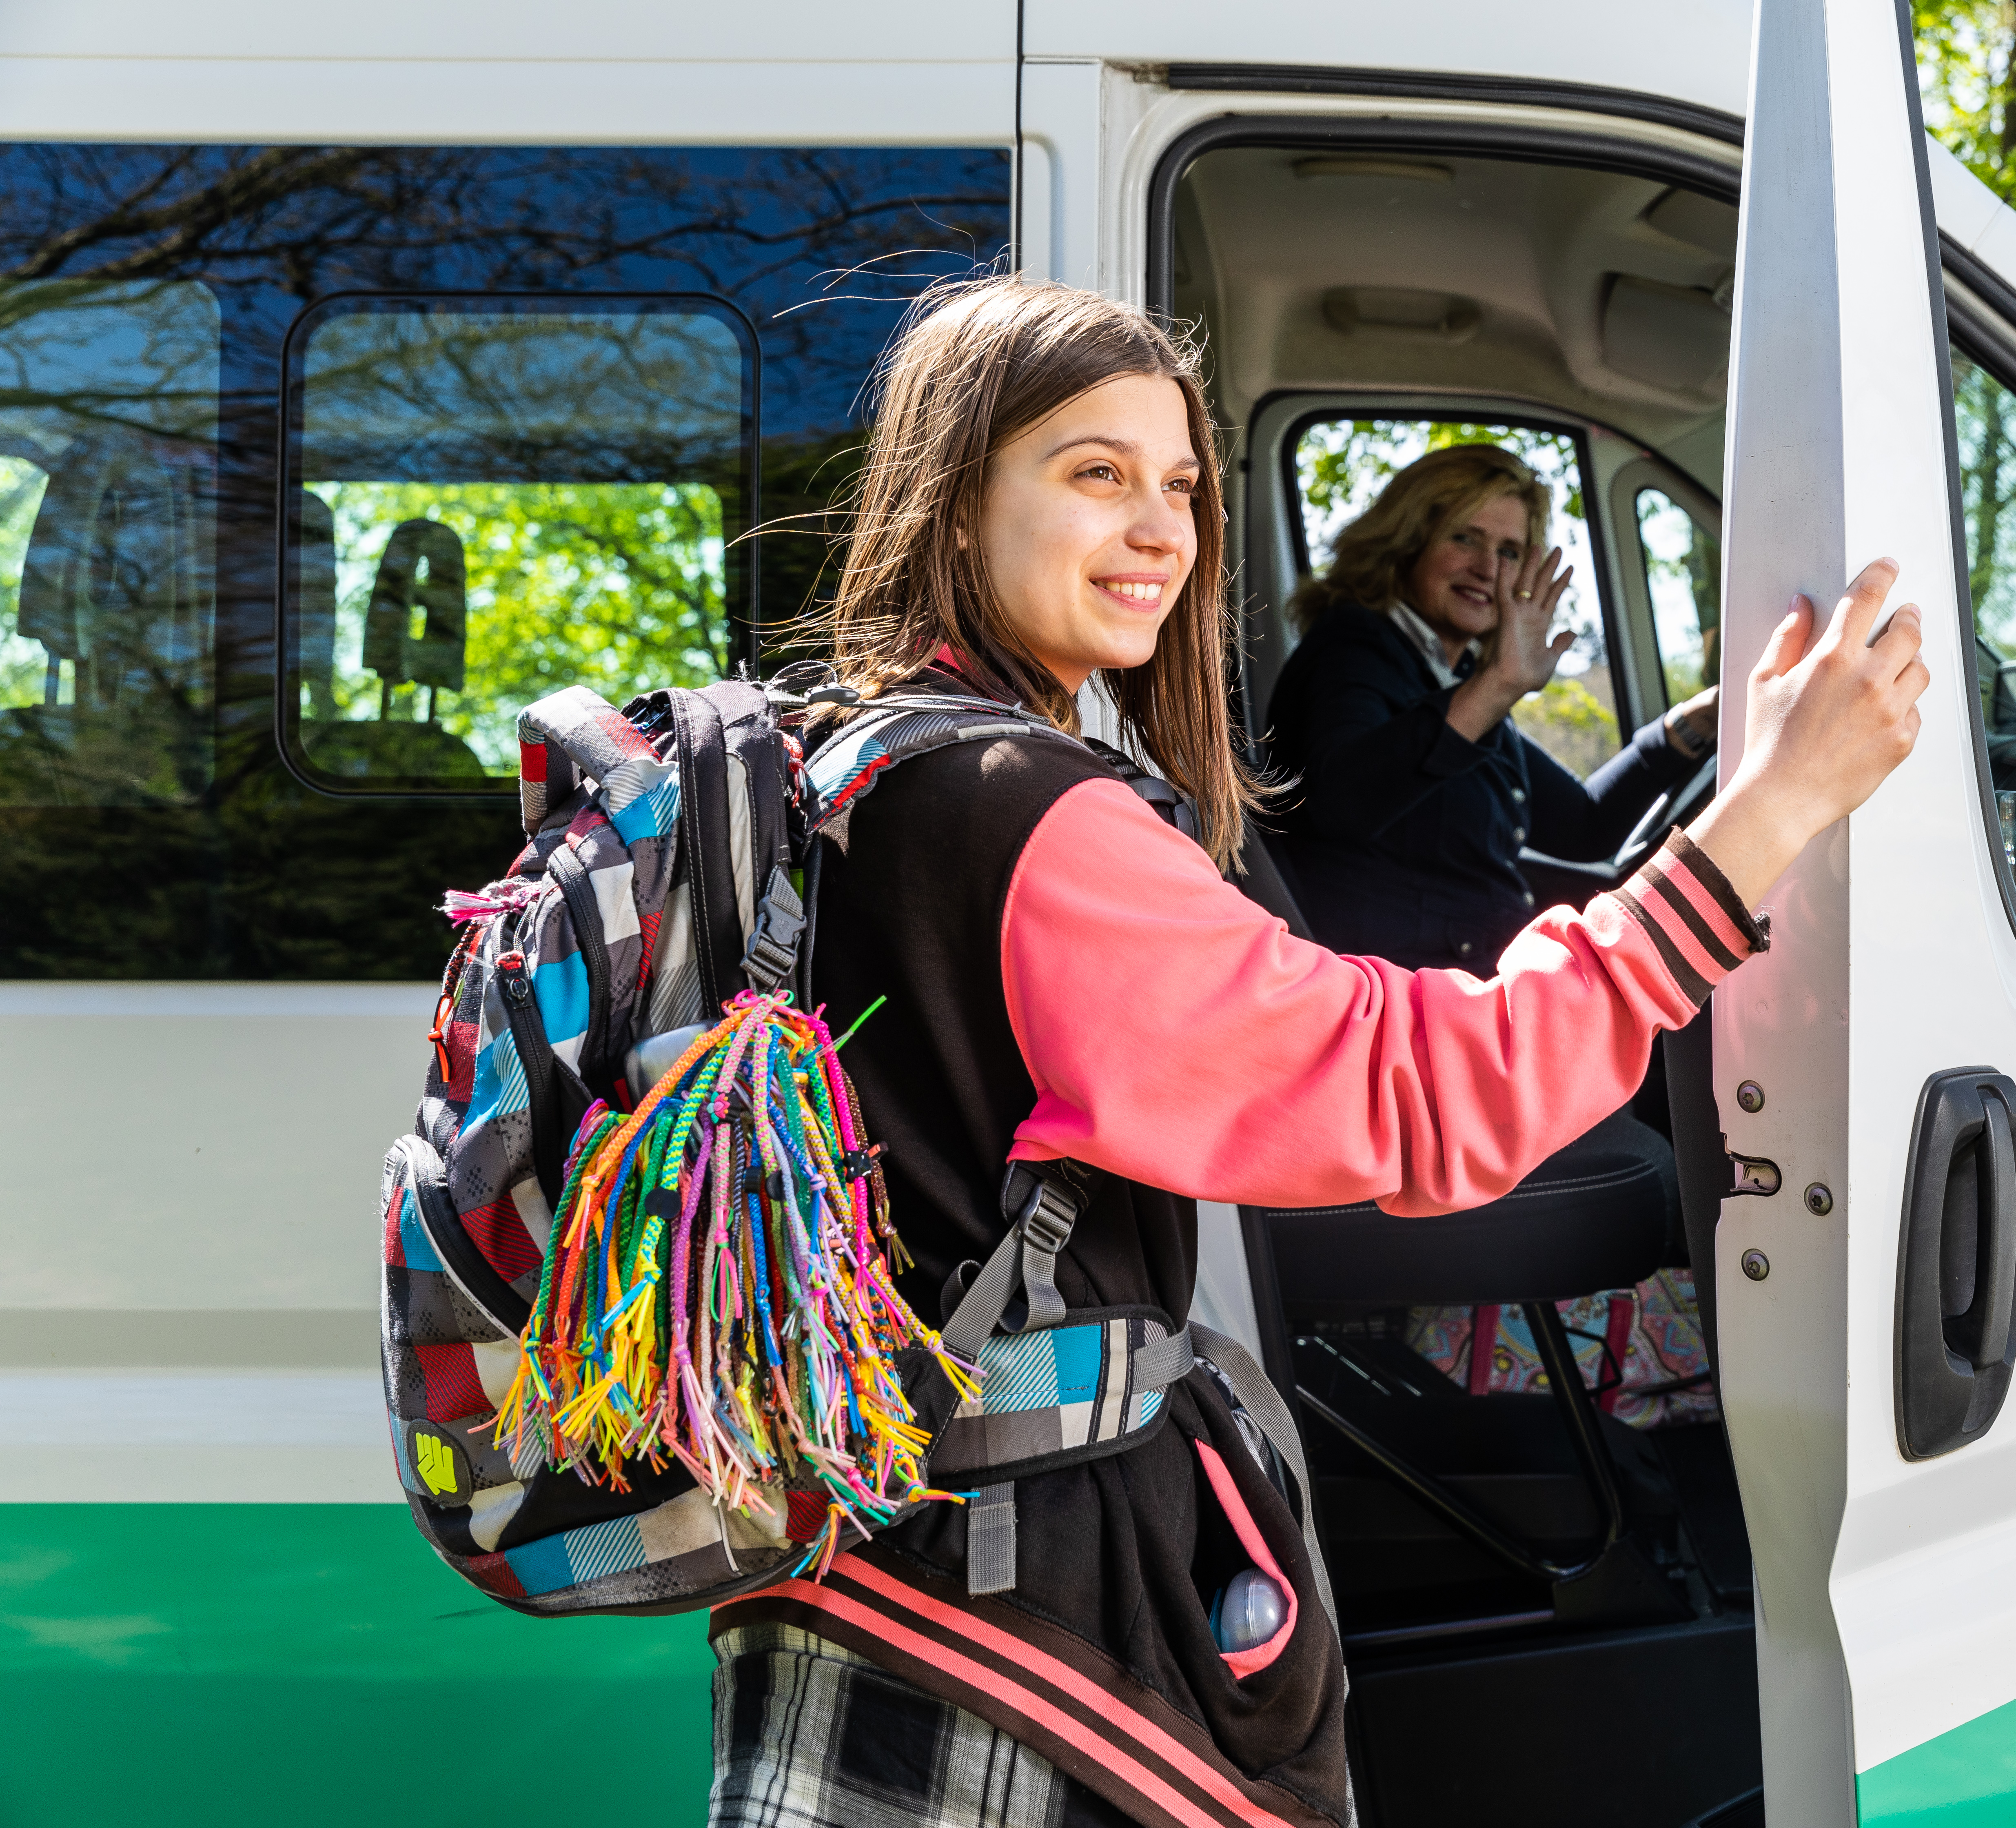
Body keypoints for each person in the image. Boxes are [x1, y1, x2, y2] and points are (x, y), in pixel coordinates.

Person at [706, 276, 1927, 1828]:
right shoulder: (1031, 815)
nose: (1160, 530)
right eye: (1096, 473)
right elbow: (1428, 1094)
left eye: (1179, 486)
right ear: (954, 500)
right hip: (1017, 1627)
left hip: (881, 1556)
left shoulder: (852, 751)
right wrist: (1776, 809)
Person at [1265, 444, 1722, 967]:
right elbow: (1342, 804)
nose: (1487, 567)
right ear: (1408, 542)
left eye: (1509, 552)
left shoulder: (1458, 678)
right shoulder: (1352, 647)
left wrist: (1689, 725)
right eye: (1465, 538)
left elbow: (1581, 827)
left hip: (1476, 979)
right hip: (1401, 992)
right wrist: (1497, 685)